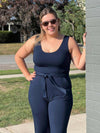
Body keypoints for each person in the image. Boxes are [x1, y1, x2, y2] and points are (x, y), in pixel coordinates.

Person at [15, 7, 86, 133]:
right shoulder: (35, 41)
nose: (50, 25)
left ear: (58, 21)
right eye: (45, 23)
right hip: (37, 91)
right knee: (40, 130)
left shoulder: (68, 41)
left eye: (53, 21)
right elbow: (18, 56)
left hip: (60, 92)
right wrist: (27, 75)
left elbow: (80, 65)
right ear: (42, 26)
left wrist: (86, 46)